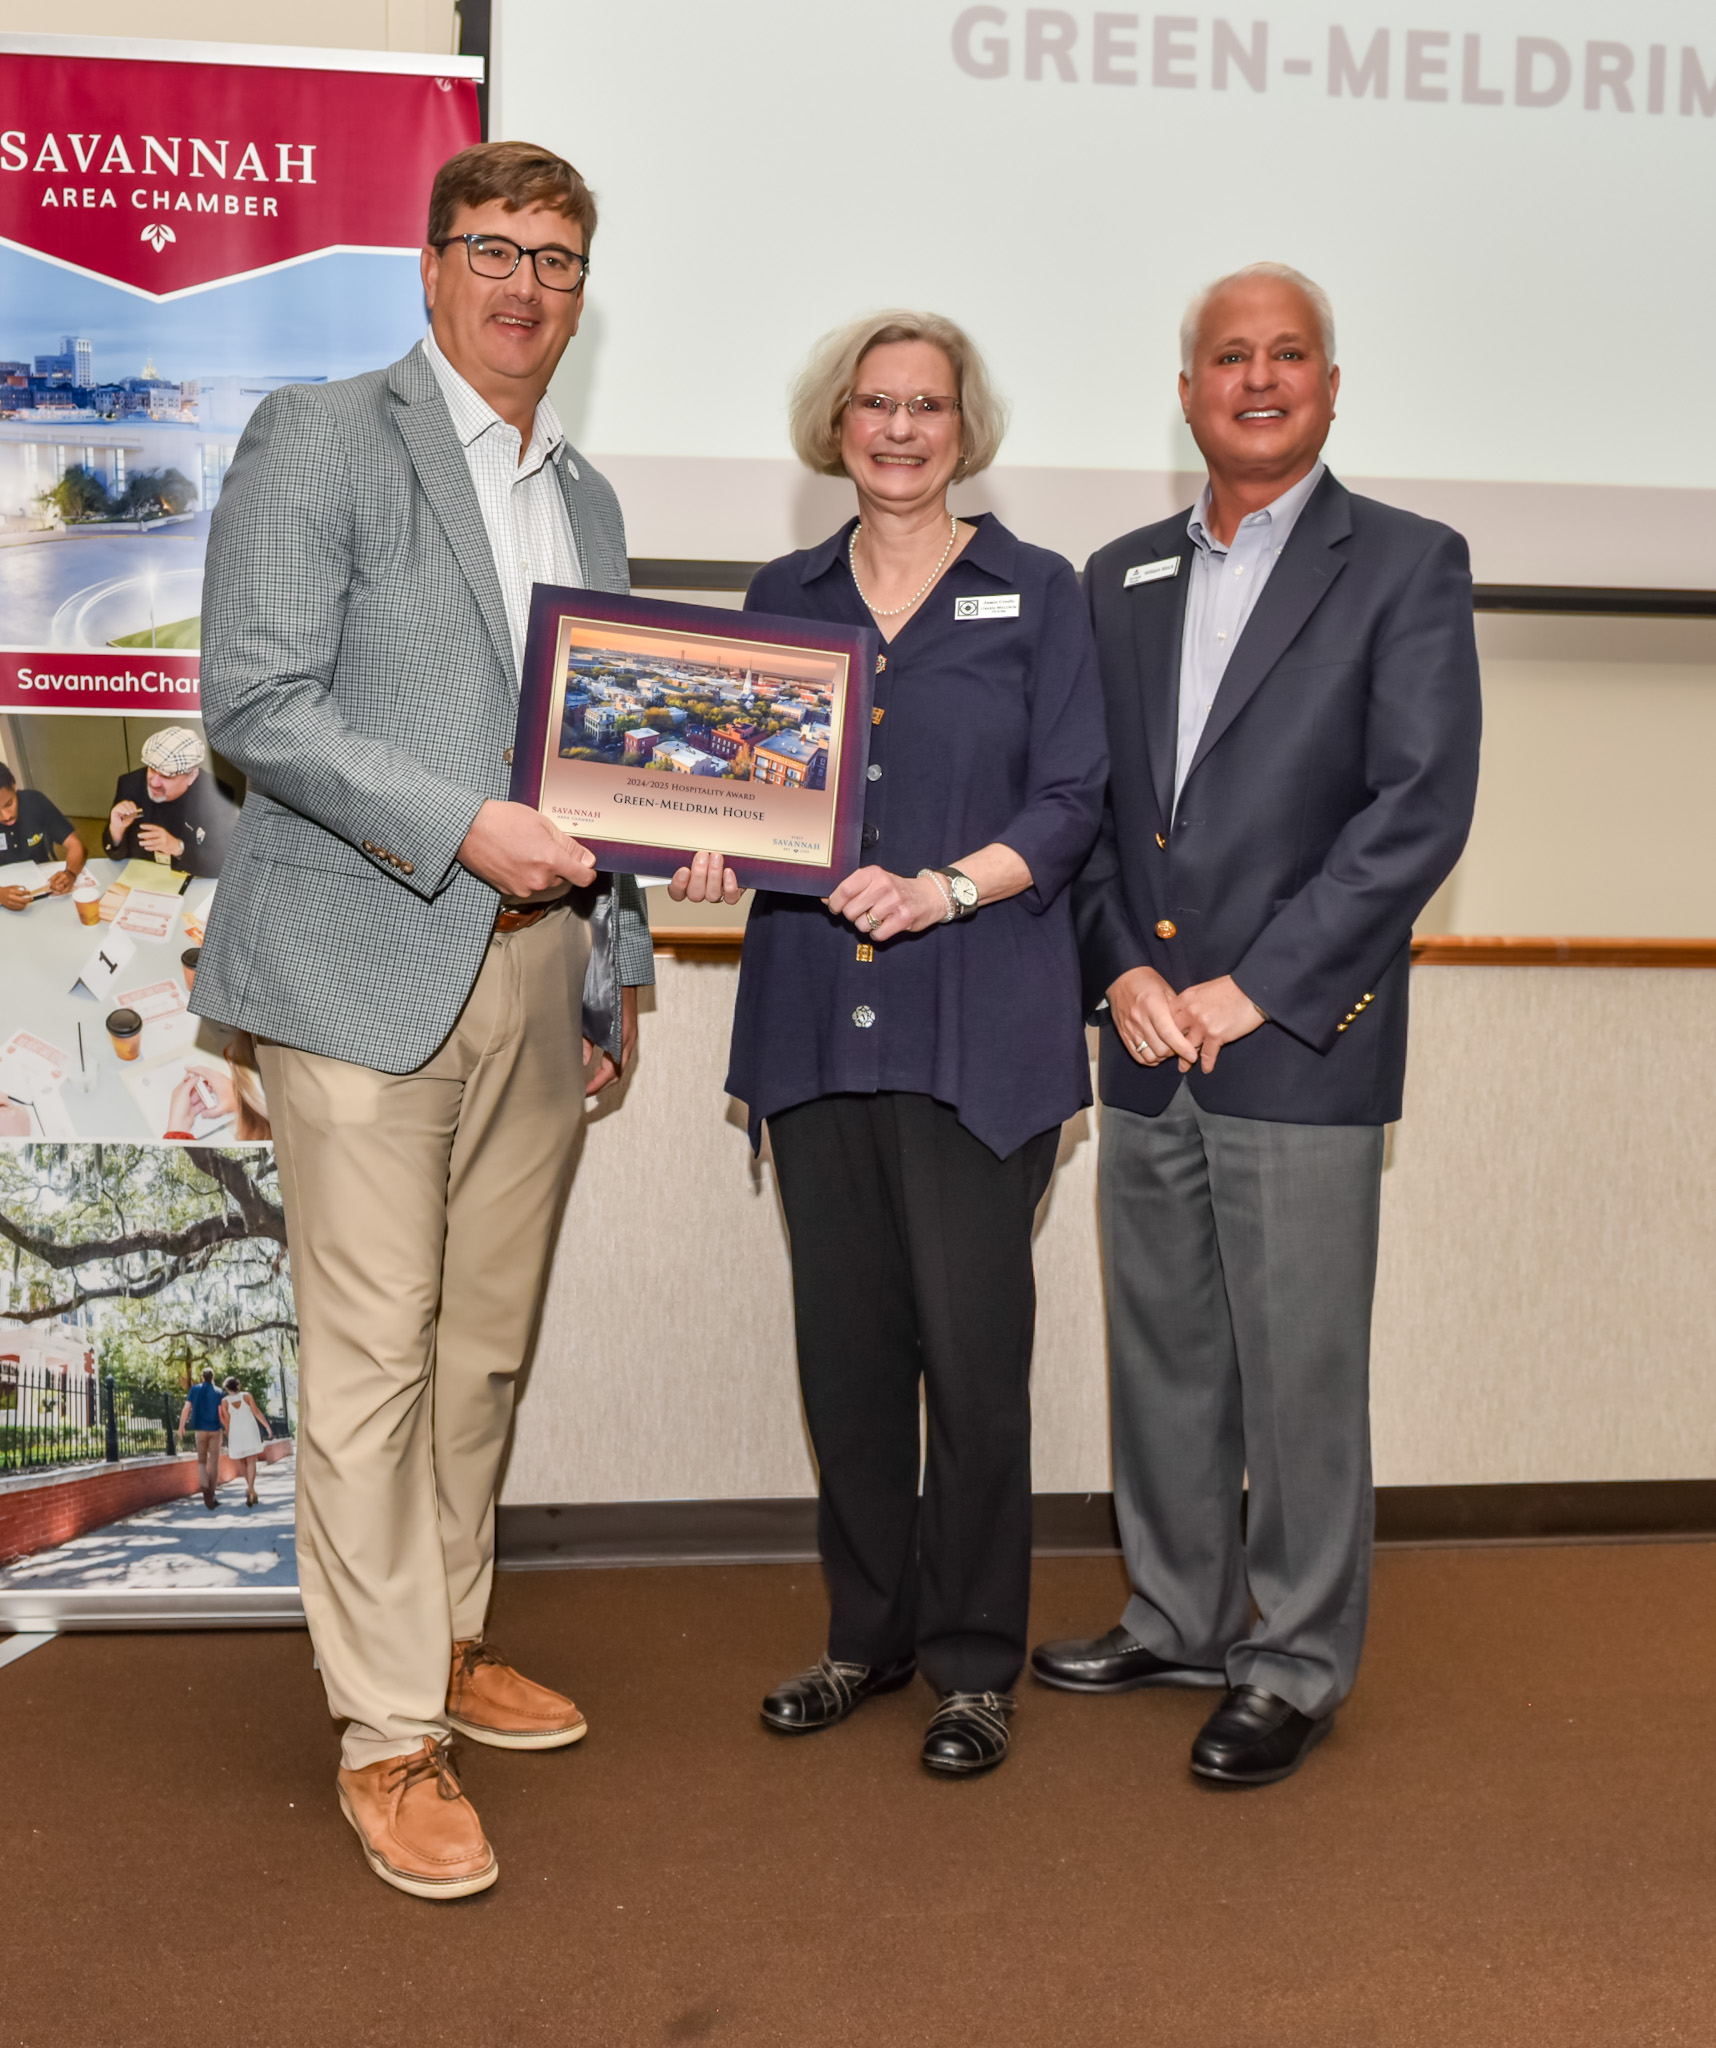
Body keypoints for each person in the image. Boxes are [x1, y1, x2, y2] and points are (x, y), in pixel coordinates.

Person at [191, 139, 654, 1900]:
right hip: (356, 961)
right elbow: (256, 701)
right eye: (494, 248)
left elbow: (600, 766)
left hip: (538, 968)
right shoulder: (324, 436)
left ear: (583, 290)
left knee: (483, 1347)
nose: (525, 284)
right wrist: (463, 825)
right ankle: (386, 1730)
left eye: (557, 258)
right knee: (377, 1359)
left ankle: (444, 1636)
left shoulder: (588, 500)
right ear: (433, 264)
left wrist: (610, 962)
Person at [1032, 263, 1482, 1786]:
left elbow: (1416, 812)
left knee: (1299, 1379)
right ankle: (1179, 1612)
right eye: (1231, 356)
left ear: (1332, 388)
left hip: (1295, 1042)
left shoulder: (1407, 563)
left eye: (1291, 354)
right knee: (1164, 1354)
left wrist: (1257, 984)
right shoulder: (1116, 577)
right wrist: (1119, 972)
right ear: (1188, 393)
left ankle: (1292, 1661)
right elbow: (1087, 808)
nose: (1261, 378)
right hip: (1147, 1040)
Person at [679, 310, 1106, 1778]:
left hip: (980, 1023)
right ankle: (867, 1636)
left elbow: (1074, 802)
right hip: (814, 1020)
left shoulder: (1039, 591)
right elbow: (735, 782)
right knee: (849, 1361)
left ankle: (975, 1663)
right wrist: (708, 844)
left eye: (929, 405)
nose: (902, 428)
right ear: (838, 423)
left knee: (973, 1366)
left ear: (964, 428)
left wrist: (945, 888)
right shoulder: (782, 594)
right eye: (877, 403)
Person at [103, 726, 237, 878]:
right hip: (141, 878)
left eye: (167, 776)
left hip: (193, 879)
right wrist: (116, 831)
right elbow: (113, 854)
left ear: (192, 776)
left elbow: (225, 863)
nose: (154, 783)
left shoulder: (218, 798)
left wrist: (179, 848)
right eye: (152, 769)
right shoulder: (130, 784)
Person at [0, 760, 86, 910]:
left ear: (14, 787)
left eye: (9, 804)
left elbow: (75, 845)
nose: (6, 816)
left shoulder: (35, 802)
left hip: (43, 890)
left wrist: (70, 873)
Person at [178, 1366, 227, 1510]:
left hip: (200, 1430)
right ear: (213, 1377)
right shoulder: (219, 1392)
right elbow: (221, 1414)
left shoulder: (194, 1389)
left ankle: (205, 1489)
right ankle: (212, 1494)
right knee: (214, 1463)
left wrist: (181, 1426)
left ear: (202, 1377)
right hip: (215, 1430)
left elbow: (186, 1408)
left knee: (201, 1461)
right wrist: (227, 1427)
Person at [219, 1374, 272, 1507]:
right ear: (238, 1385)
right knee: (251, 1461)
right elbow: (257, 1412)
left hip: (235, 1434)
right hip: (249, 1431)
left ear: (227, 1388)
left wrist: (228, 1435)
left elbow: (227, 1421)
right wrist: (267, 1427)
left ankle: (250, 1489)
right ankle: (251, 1489)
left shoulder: (224, 1402)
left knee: (241, 1461)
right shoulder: (247, 1396)